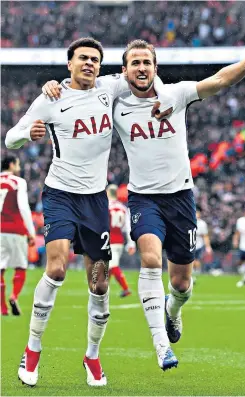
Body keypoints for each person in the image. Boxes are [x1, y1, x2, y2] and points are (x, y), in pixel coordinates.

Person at [42, 37, 245, 371]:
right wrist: (57, 84)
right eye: (134, 63)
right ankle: (162, 347)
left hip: (180, 197)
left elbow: (221, 80)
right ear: (124, 70)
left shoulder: (175, 95)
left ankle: (172, 311)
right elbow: (80, 84)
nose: (141, 68)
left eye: (146, 62)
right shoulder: (113, 100)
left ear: (155, 67)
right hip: (143, 197)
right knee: (150, 260)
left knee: (181, 283)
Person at [5, 37, 155, 388]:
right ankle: (32, 350)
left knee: (99, 283)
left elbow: (142, 77)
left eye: (95, 59)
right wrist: (29, 132)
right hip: (60, 196)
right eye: (83, 58)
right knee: (55, 268)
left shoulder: (108, 88)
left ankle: (92, 355)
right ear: (69, 63)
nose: (89, 63)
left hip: (95, 202)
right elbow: (11, 137)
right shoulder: (51, 97)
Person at [0, 155, 36, 316]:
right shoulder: (18, 182)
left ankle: (3, 308)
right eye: (18, 164)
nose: (19, 168)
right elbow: (23, 207)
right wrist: (31, 232)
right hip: (16, 229)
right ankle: (14, 296)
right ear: (12, 164)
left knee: (0, 269)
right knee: (20, 267)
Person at [107, 184, 136, 297]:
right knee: (109, 265)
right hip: (119, 239)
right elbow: (128, 227)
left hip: (108, 239)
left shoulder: (106, 206)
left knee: (112, 265)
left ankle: (126, 288)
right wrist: (131, 243)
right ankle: (104, 287)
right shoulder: (123, 208)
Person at [193, 207, 212, 276]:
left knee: (197, 260)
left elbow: (205, 236)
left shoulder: (202, 224)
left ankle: (196, 273)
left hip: (199, 244)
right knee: (191, 260)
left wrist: (208, 246)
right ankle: (192, 274)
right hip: (189, 244)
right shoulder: (189, 221)